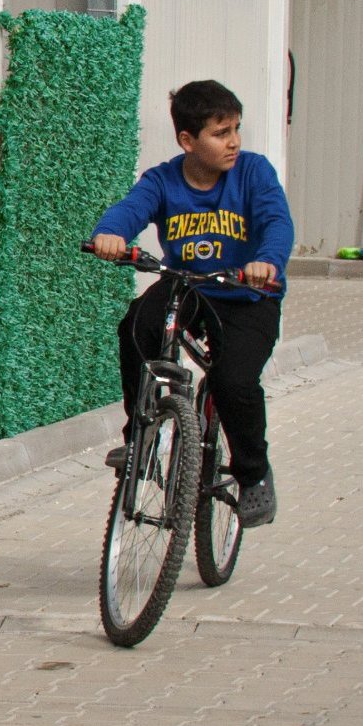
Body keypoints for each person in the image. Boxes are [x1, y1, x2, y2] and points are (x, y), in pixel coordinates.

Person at [90, 79, 294, 528]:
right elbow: (131, 208)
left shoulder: (254, 173)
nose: (234, 141)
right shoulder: (163, 180)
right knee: (137, 326)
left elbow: (276, 222)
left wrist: (266, 261)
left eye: (237, 129)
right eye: (221, 133)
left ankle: (254, 475)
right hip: (191, 287)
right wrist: (111, 234)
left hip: (247, 295)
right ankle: (140, 437)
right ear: (188, 140)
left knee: (233, 381)